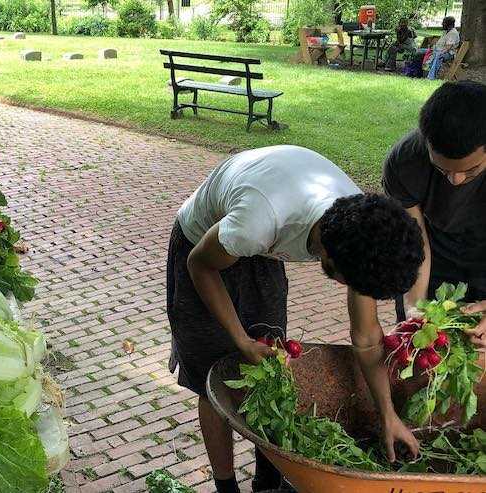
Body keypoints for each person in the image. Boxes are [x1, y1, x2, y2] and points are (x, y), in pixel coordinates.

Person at [166, 145, 424, 493]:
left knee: (271, 365)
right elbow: (199, 264)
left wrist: (387, 414)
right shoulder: (256, 223)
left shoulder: (363, 232)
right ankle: (226, 487)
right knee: (214, 376)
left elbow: (366, 338)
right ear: (330, 260)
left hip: (262, 245)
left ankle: (269, 479)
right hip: (202, 244)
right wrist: (241, 340)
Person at [382, 81, 486, 341]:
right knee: (423, 343)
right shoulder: (404, 161)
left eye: (470, 170)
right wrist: (414, 307)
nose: (455, 180)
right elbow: (415, 239)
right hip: (434, 255)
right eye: (442, 169)